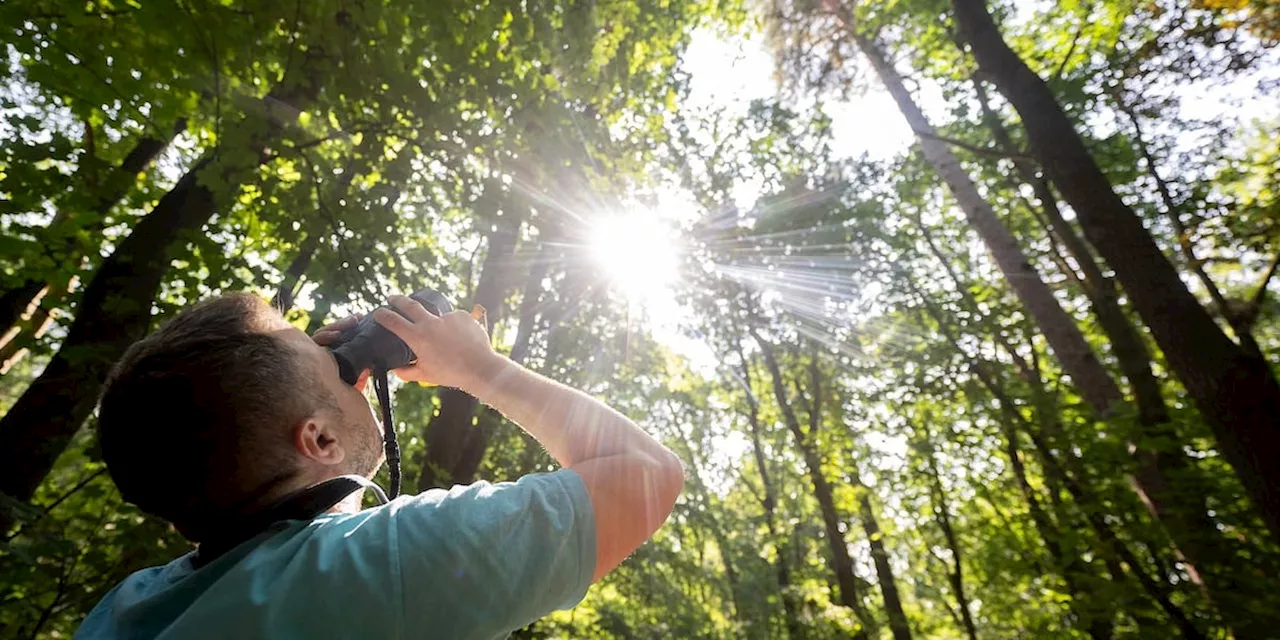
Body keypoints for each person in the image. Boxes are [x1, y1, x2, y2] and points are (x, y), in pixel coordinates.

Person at [74, 292, 684, 639]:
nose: (349, 364)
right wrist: (480, 368)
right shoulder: (371, 566)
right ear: (317, 440)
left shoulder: (129, 605)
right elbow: (646, 474)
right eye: (334, 365)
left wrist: (321, 376)